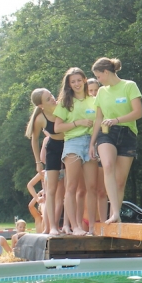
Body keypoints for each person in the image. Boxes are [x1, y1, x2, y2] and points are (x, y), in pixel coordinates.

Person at [89, 57, 142, 224]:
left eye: (98, 76)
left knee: (120, 182)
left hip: (127, 134)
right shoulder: (101, 92)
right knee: (107, 165)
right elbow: (98, 119)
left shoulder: (129, 86)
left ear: (106, 72)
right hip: (107, 133)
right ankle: (114, 214)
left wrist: (117, 120)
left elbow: (138, 112)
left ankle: (115, 214)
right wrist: (92, 143)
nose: (98, 80)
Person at [53, 67, 99, 235]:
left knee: (91, 187)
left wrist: (94, 143)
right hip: (73, 143)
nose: (77, 84)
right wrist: (77, 123)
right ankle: (75, 226)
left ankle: (93, 227)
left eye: (79, 80)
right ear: (69, 84)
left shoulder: (94, 100)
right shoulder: (65, 102)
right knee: (71, 187)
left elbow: (99, 121)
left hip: (91, 143)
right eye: (73, 81)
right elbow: (57, 128)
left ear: (85, 80)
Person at [26, 88, 65, 236]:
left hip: (68, 146)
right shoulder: (40, 118)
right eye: (48, 99)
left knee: (63, 193)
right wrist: (38, 162)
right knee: (51, 192)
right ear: (41, 105)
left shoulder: (63, 107)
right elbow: (34, 139)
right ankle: (50, 227)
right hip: (53, 150)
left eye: (51, 95)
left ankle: (60, 225)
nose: (53, 99)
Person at [87, 78, 109, 228]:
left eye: (96, 90)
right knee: (89, 189)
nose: (94, 93)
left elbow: (105, 127)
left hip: (101, 145)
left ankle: (103, 223)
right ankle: (90, 225)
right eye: (90, 90)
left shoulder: (104, 104)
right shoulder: (82, 105)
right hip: (86, 147)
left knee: (102, 190)